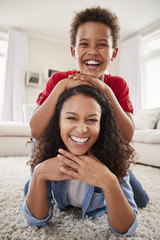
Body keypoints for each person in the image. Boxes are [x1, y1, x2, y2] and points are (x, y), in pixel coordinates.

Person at [29, 7, 148, 207]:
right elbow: (35, 130)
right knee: (32, 192)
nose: (93, 51)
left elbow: (127, 136)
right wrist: (60, 87)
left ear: (114, 53)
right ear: (73, 51)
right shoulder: (59, 80)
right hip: (66, 152)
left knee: (141, 200)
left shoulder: (117, 85)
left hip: (105, 158)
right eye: (84, 44)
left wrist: (106, 91)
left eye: (102, 45)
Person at [23, 85, 138, 236]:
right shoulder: (43, 147)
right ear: (58, 121)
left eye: (92, 120)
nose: (81, 129)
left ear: (101, 124)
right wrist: (38, 175)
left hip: (116, 169)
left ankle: (131, 180)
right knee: (28, 189)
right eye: (71, 118)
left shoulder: (115, 151)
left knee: (142, 198)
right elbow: (35, 220)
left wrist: (110, 182)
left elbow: (126, 230)